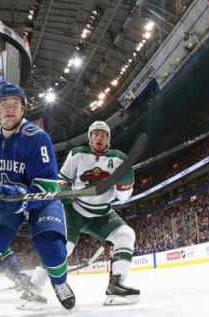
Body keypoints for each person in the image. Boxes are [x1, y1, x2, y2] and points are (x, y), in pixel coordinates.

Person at [0, 82, 75, 316]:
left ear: (23, 109)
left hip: (40, 200)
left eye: (15, 104)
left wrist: (21, 197)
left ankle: (59, 283)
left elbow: (47, 185)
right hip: (8, 200)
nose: (9, 109)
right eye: (4, 104)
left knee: (50, 245)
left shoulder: (38, 138)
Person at [29, 120, 140, 306]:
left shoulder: (119, 159)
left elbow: (123, 197)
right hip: (75, 210)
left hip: (102, 214)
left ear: (108, 140)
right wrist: (64, 195)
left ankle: (116, 285)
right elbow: (62, 179)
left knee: (125, 234)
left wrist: (126, 182)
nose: (99, 137)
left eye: (103, 135)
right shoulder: (78, 154)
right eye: (95, 134)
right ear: (90, 138)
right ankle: (32, 289)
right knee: (62, 248)